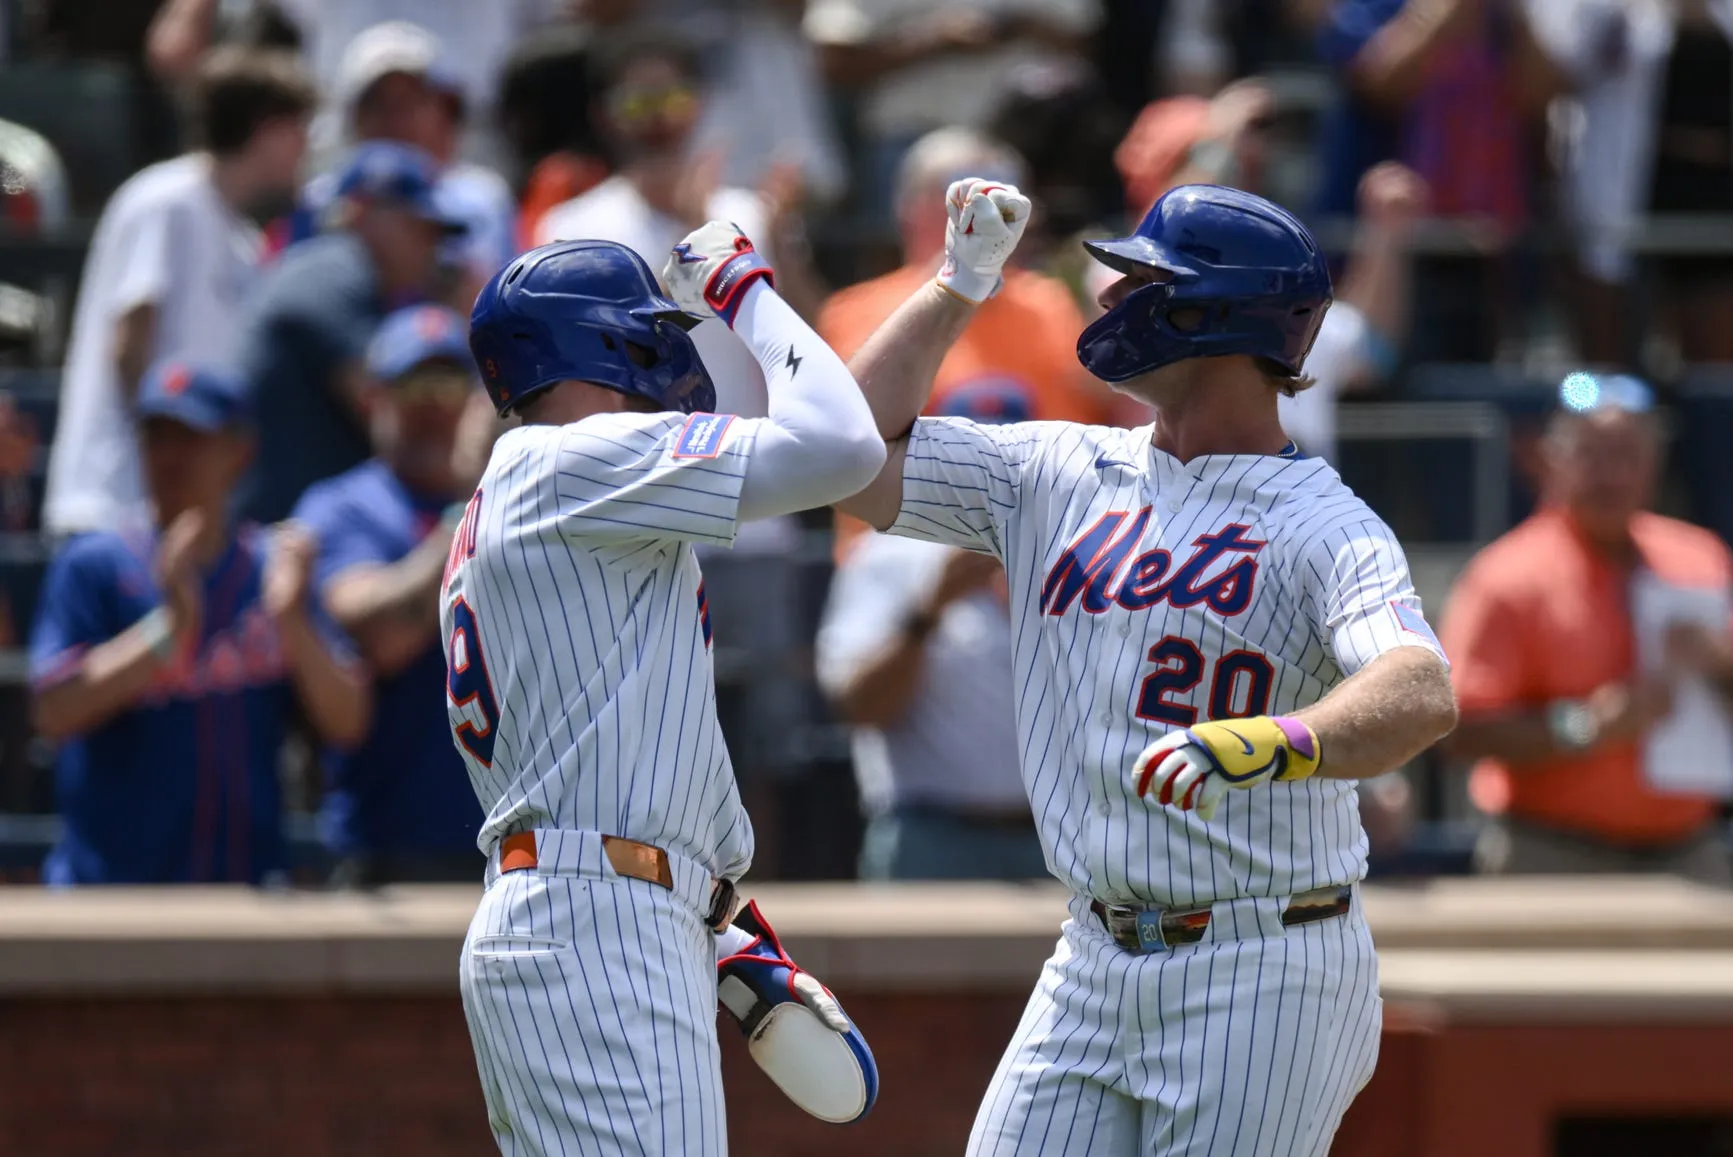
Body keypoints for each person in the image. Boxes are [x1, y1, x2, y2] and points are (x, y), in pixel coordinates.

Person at [835, 180, 1458, 1155]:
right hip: (1090, 954)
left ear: (1213, 315)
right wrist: (957, 285)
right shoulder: (1056, 470)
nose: (1107, 298)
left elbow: (1418, 689)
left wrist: (1276, 739)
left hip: (1263, 961)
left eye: (1140, 282)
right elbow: (842, 451)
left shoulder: (1324, 523)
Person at [449, 228, 884, 1149]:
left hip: (591, 909)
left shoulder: (538, 484)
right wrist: (744, 291)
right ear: (607, 340)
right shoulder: (574, 457)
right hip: (598, 922)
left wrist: (723, 925)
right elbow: (843, 448)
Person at [29, 362, 370, 886]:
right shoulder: (94, 565)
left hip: (241, 892)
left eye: (190, 437)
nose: (170, 456)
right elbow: (52, 710)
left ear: (240, 451)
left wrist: (293, 622)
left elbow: (348, 721)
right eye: (156, 436)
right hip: (109, 893)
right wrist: (168, 631)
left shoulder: (271, 571)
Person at [1442, 372, 1733, 882]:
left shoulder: (1701, 559)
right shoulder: (1506, 577)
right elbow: (1456, 730)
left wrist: (1721, 665)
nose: (1612, 476)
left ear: (1655, 464)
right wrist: (1583, 726)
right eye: (1593, 456)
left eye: (1628, 456)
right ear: (1551, 460)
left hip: (1690, 853)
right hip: (1549, 854)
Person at [43, 47, 314, 537]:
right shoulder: (166, 201)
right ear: (267, 128)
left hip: (182, 515)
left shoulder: (244, 240)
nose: (306, 149)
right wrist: (164, 466)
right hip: (115, 506)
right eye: (298, 129)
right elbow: (130, 343)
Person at [819, 127, 1113, 554]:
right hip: (900, 545)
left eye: (1006, 191)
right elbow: (844, 437)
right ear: (910, 207)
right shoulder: (855, 310)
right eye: (969, 191)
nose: (991, 210)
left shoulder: (1051, 302)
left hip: (1035, 544)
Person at [292, 306, 488, 886]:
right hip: (389, 851)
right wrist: (469, 508)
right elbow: (382, 638)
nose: (435, 408)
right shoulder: (341, 507)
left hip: (518, 845)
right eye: (413, 388)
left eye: (449, 387)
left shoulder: (523, 501)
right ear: (373, 398)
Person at [817, 389, 1045, 881]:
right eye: (975, 459)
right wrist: (929, 609)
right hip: (932, 837)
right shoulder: (888, 553)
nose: (989, 478)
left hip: (1060, 838)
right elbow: (859, 708)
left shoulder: (1073, 551)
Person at [535, 27, 821, 416]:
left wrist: (782, 243)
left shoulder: (752, 214)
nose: (658, 119)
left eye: (673, 99)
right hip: (637, 447)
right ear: (604, 115)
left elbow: (813, 338)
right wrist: (690, 240)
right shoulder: (570, 230)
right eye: (637, 103)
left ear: (700, 102)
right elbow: (599, 351)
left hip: (744, 443)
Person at [232, 140, 465, 526]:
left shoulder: (347, 277)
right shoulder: (333, 267)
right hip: (277, 529)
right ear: (362, 213)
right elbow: (386, 402)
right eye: (419, 227)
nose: (433, 248)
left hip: (298, 520)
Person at [282, 21, 520, 289]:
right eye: (378, 104)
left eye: (411, 101)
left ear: (442, 110)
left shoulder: (483, 200)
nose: (396, 118)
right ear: (352, 117)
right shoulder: (316, 201)